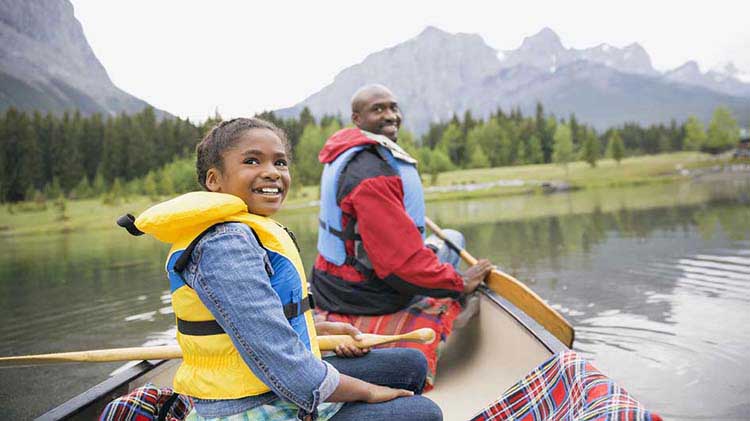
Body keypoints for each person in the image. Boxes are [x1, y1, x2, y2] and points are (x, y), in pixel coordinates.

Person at [120, 118, 442, 421]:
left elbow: (260, 322)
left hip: (275, 387)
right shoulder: (223, 245)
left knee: (411, 364)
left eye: (280, 162)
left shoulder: (245, 230)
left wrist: (316, 328)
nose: (272, 172)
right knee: (425, 413)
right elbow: (288, 368)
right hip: (248, 406)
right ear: (214, 180)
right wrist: (368, 392)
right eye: (252, 161)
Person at [311, 85, 493, 388]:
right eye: (378, 109)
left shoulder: (345, 154)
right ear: (357, 118)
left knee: (448, 236)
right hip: (363, 296)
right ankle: (454, 310)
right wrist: (460, 282)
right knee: (454, 242)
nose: (391, 115)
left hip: (329, 284)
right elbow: (400, 265)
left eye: (393, 107)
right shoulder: (371, 173)